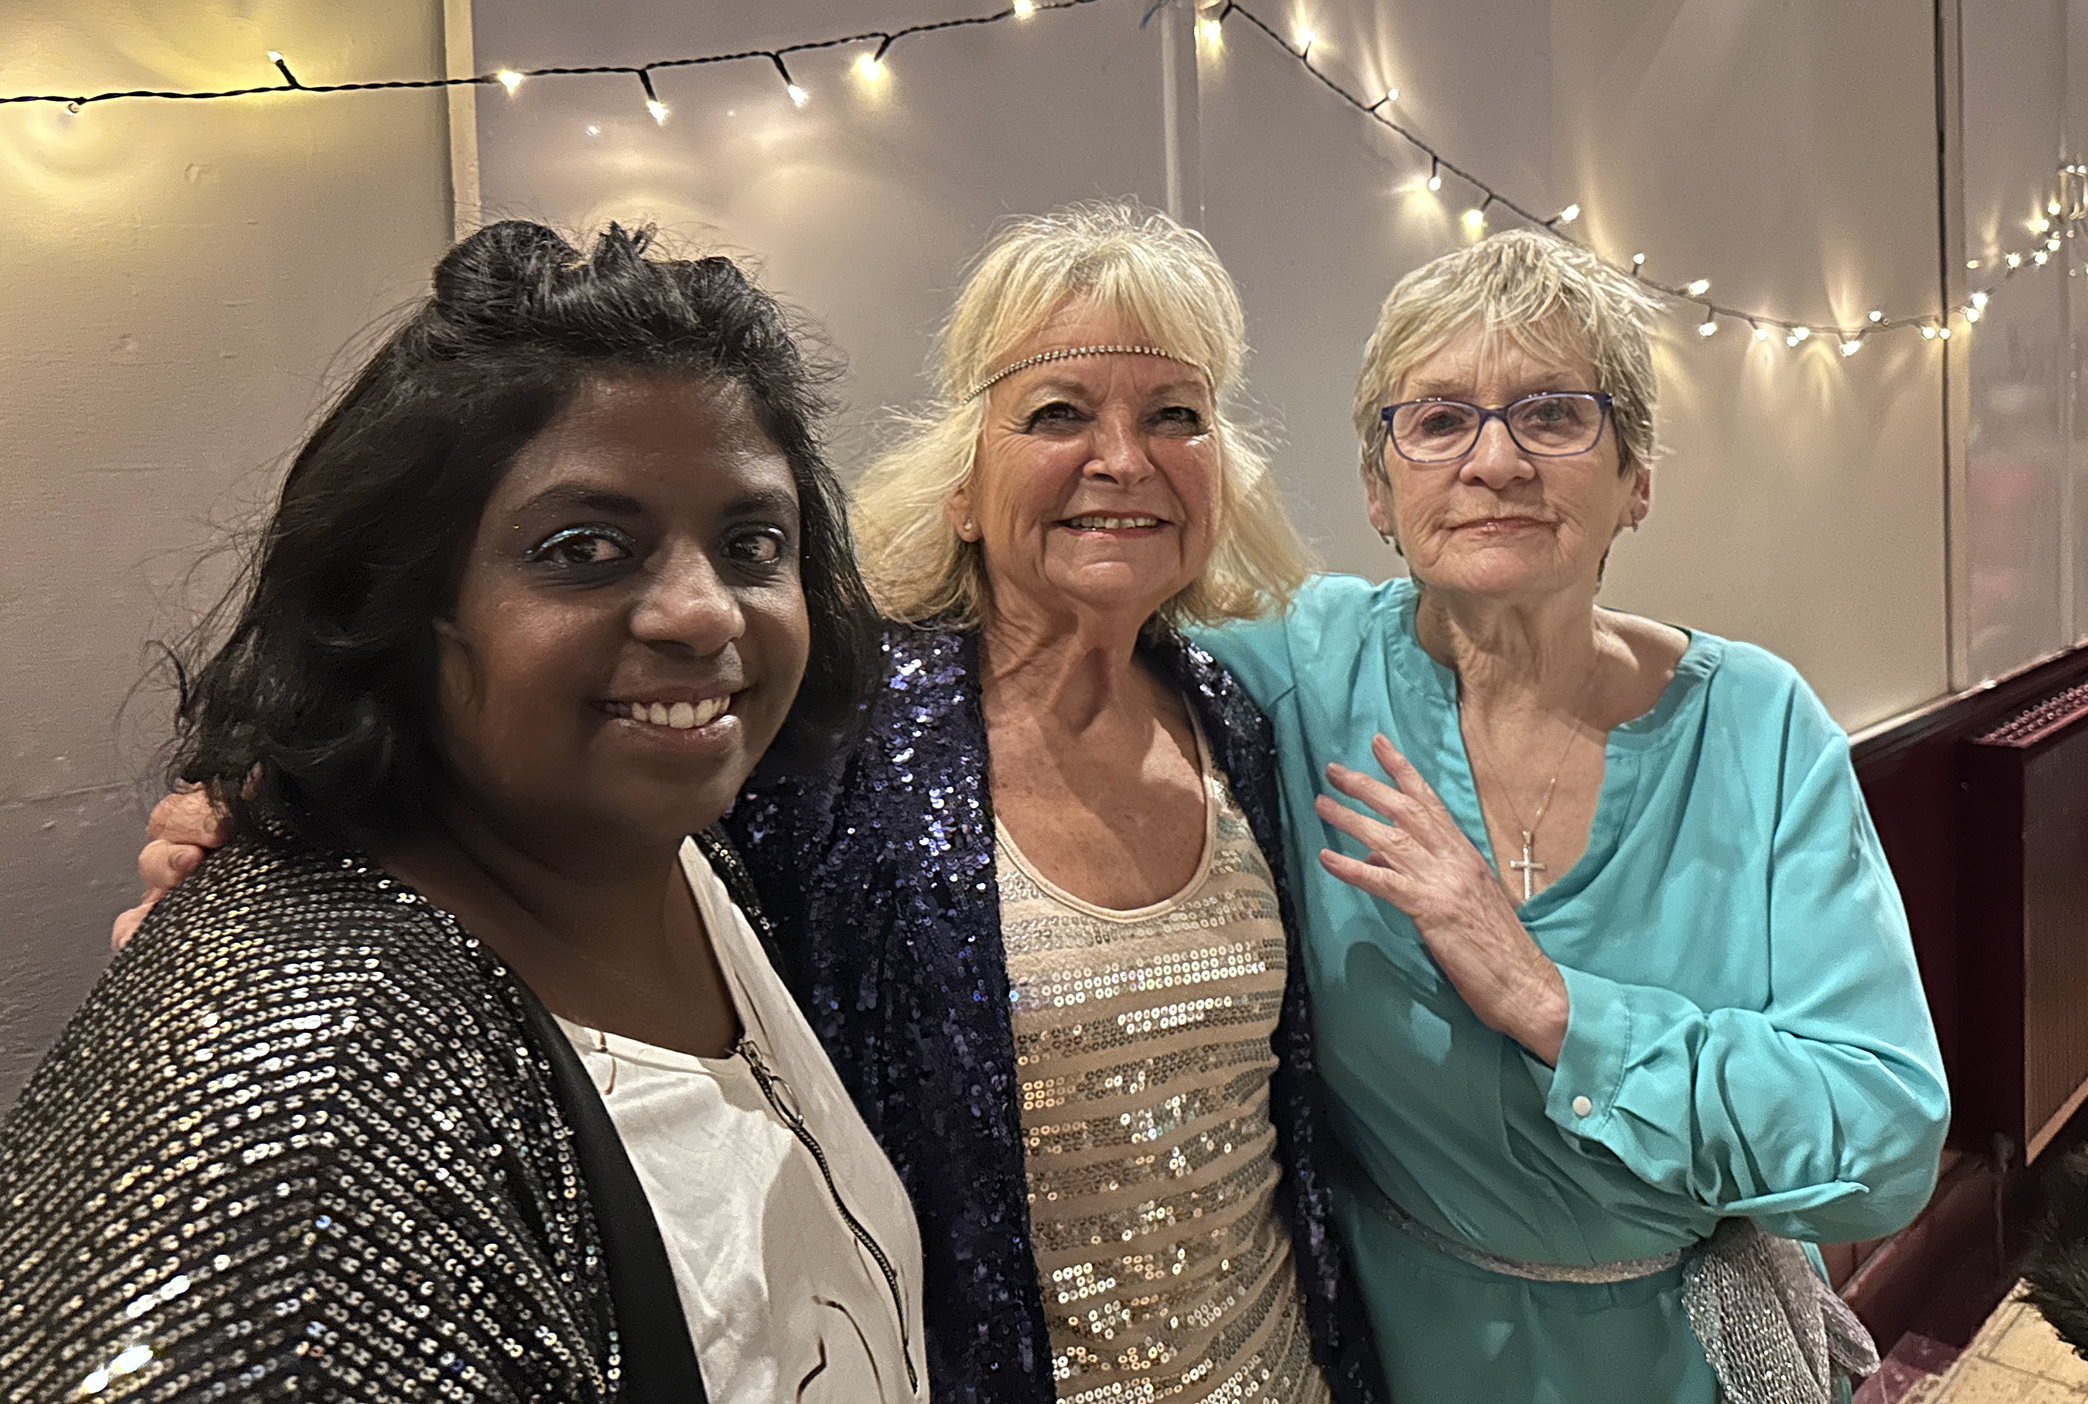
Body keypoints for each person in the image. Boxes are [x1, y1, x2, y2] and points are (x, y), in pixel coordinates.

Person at [111, 203, 1381, 1404]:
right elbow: (556, 830)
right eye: (1057, 412)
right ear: (961, 481)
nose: (1123, 459)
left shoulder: (1234, 717)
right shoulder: (826, 731)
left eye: (1176, 415)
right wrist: (307, 847)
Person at [8, 221, 925, 1403]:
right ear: (398, 597)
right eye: (584, 547)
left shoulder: (680, 856)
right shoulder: (317, 1121)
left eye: (753, 542)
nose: (703, 612)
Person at [1190, 229, 1951, 1402]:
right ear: (1379, 491)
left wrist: (1557, 1010)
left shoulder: (1756, 726)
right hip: (1416, 1360)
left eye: (1553, 414)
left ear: (1637, 479)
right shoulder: (1303, 674)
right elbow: (1065, 625)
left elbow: (1884, 1138)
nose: (1496, 461)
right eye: (1439, 420)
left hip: (1695, 1363)